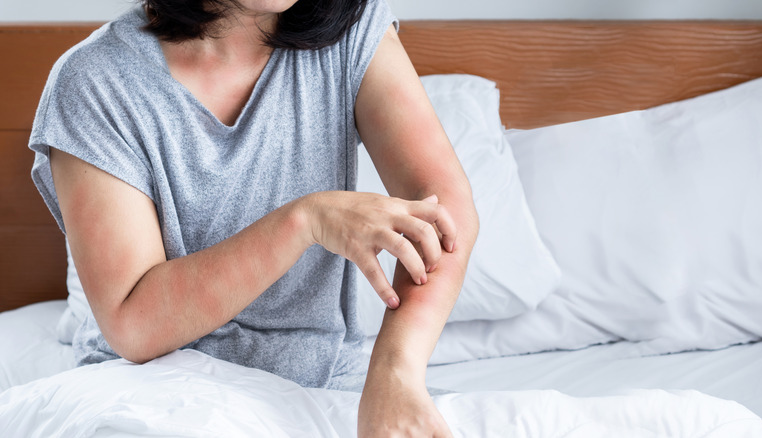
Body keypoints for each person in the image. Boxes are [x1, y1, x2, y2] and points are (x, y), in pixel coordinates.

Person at [29, 0, 478, 435]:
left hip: (320, 389)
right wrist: (305, 221)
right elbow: (134, 323)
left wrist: (395, 371)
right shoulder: (93, 81)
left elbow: (444, 210)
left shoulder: (353, 32)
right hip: (150, 390)